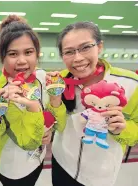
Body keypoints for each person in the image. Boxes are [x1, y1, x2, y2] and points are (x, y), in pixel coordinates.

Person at [51, 21, 138, 186]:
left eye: (85, 47)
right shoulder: (58, 82)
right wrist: (54, 105)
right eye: (69, 52)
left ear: (100, 47)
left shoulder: (131, 84)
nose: (78, 58)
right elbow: (57, 124)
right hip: (62, 163)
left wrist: (123, 129)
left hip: (101, 174)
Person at [0, 15, 66, 186]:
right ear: (2, 57)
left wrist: (55, 103)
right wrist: (33, 108)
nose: (22, 61)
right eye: (13, 54)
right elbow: (27, 142)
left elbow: (60, 124)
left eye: (28, 52)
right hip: (14, 169)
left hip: (39, 159)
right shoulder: (1, 93)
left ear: (37, 54)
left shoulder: (45, 78)